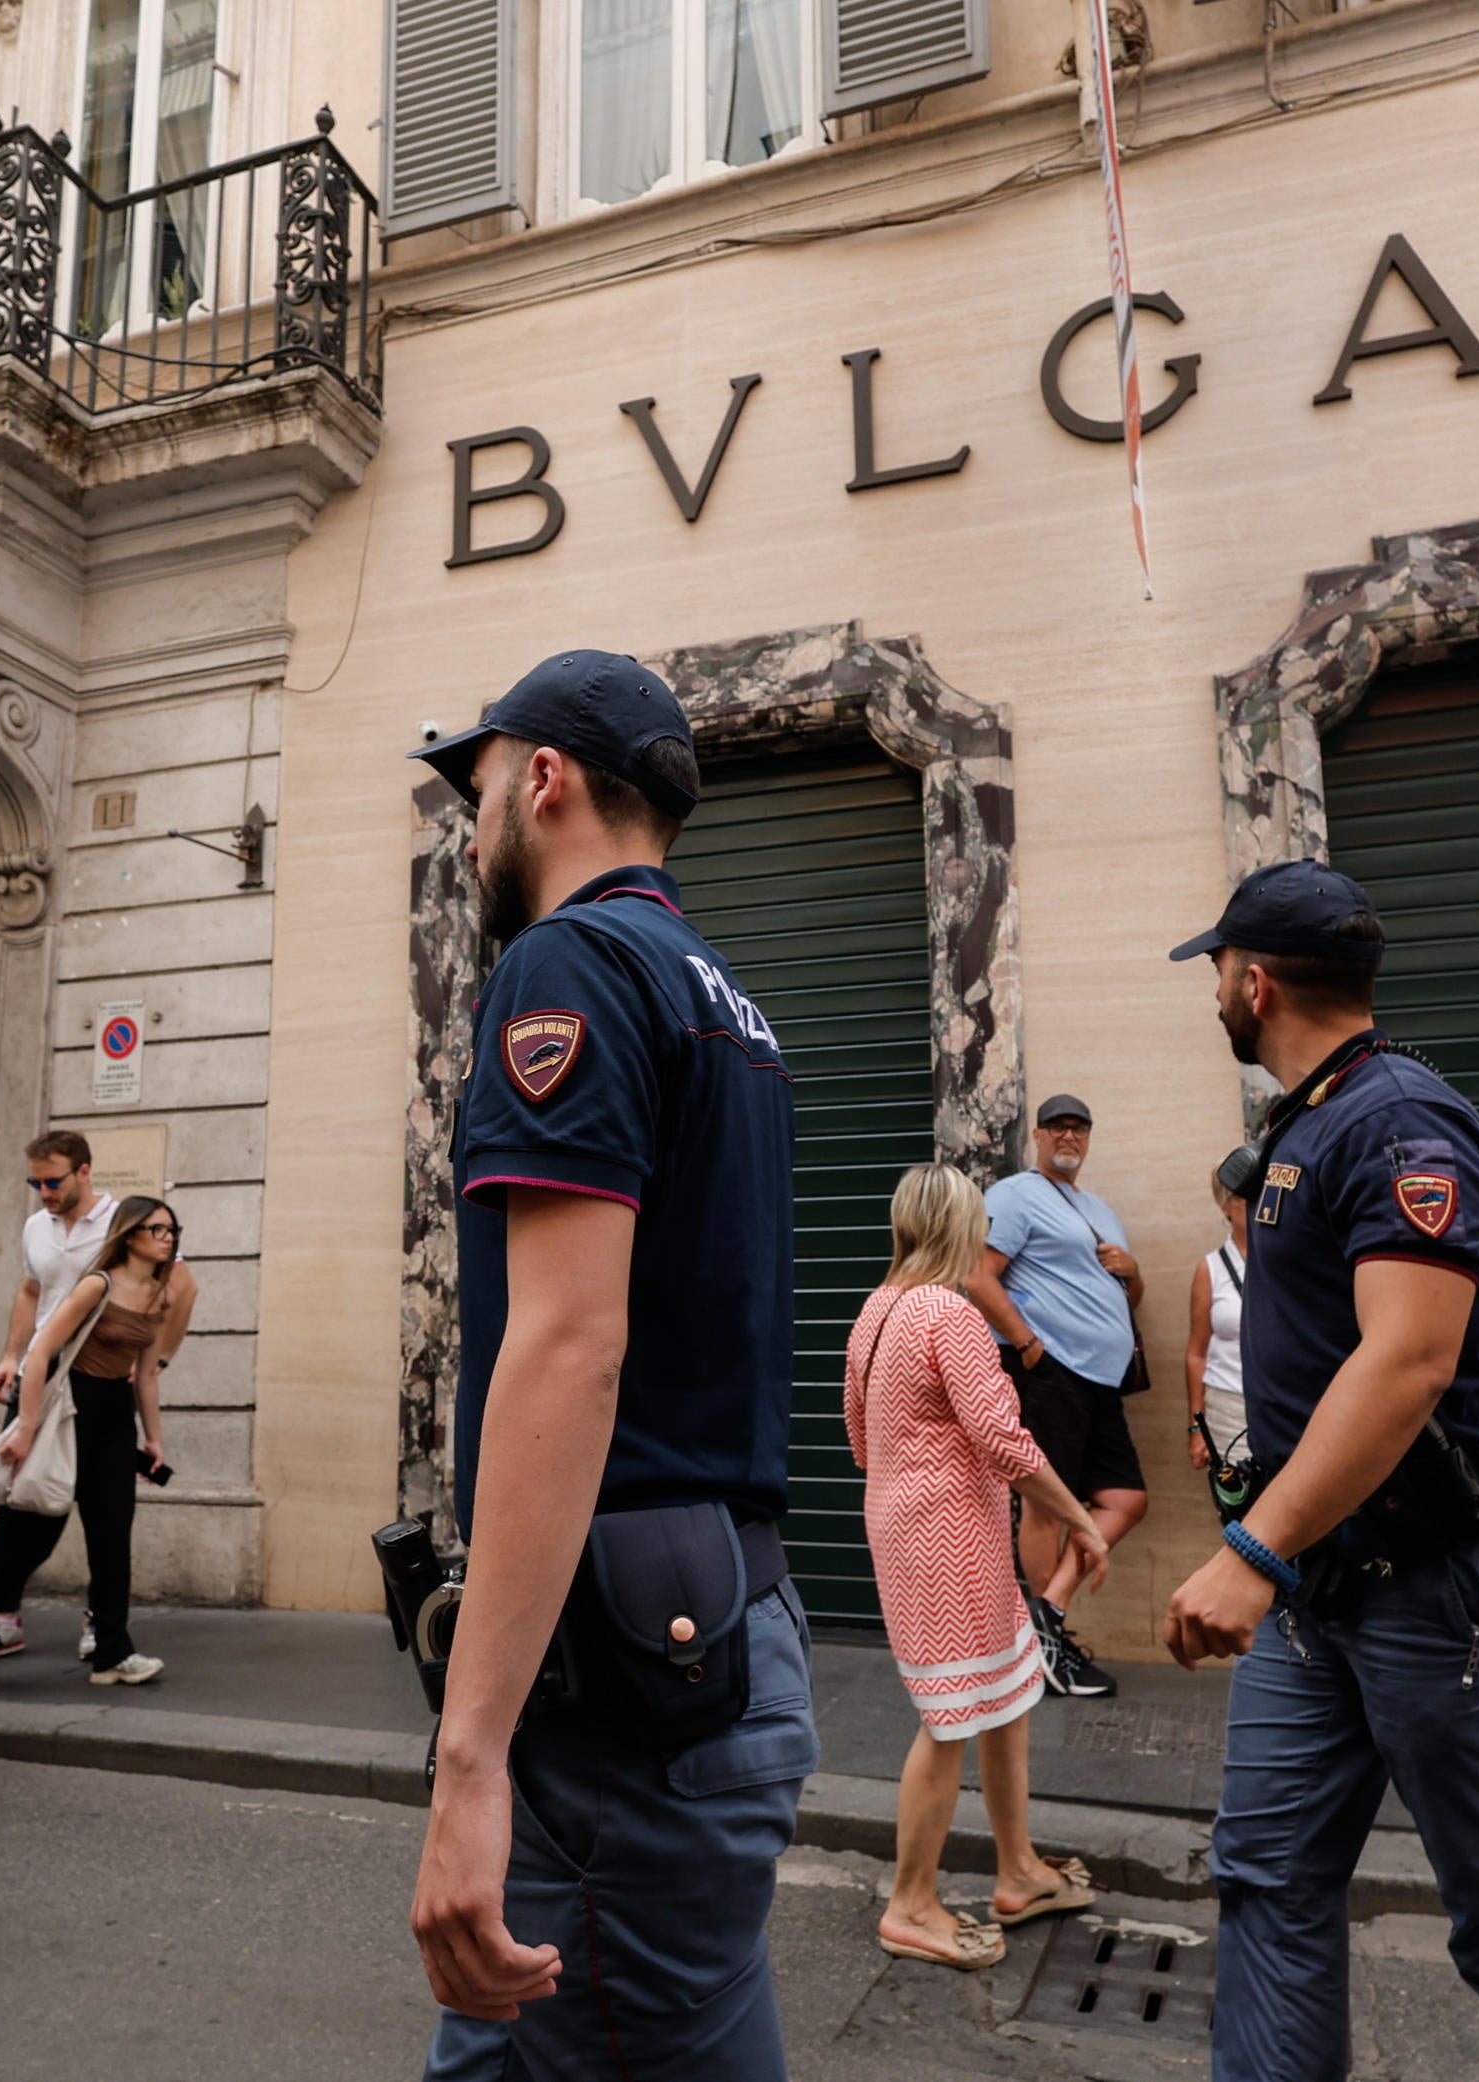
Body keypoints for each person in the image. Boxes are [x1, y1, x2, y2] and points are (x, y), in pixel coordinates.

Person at [1160, 861, 1479, 2082]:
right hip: (1324, 1592)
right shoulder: (1311, 1121)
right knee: (1266, 1874)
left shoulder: (1396, 1124)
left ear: (1255, 982)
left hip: (1435, 1587)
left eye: (1220, 967)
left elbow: (1411, 1361)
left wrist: (1250, 1550)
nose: (1216, 986)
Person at [404, 652, 812, 2079]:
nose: (473, 826)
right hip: (712, 1636)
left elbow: (570, 1347)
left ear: (549, 779)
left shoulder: (569, 961)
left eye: (483, 785)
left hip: (624, 1705)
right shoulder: (729, 999)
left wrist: (468, 1761)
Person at [845, 1164, 1109, 1971]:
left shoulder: (877, 1311)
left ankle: (1019, 1872)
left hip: (913, 1527)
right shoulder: (946, 1314)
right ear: (960, 1227)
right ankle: (911, 1903)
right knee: (953, 1713)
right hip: (949, 1539)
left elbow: (862, 1441)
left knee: (1006, 1694)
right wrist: (1078, 1520)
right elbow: (1002, 1441)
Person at [0, 1195, 193, 1689]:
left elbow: (146, 1376)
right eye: (158, 1229)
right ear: (130, 1234)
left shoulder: (160, 1296)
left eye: (173, 1229)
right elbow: (41, 1350)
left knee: (112, 1539)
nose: (169, 1238)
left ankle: (113, 1652)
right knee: (26, 1542)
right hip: (68, 1412)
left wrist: (153, 1439)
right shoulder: (97, 1284)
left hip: (114, 1417)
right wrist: (24, 1427)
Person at [964, 1093, 1146, 1699]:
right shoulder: (1015, 1195)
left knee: (1125, 1500)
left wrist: (1133, 1273)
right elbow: (976, 1275)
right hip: (1053, 1376)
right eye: (1058, 1127)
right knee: (1046, 1505)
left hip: (1100, 1382)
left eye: (1080, 1128)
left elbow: (1125, 1298)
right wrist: (1028, 1345)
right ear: (1037, 1137)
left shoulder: (1097, 1209)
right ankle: (1042, 1651)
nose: (1069, 1136)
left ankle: (1048, 1612)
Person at [0, 1129, 119, 1667]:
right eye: (37, 1182)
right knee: (17, 1503)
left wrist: (154, 1361)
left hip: (96, 1380)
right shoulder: (36, 1225)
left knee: (103, 1512)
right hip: (38, 1378)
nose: (45, 1193)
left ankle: (103, 1621)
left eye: (53, 1181)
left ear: (84, 1171)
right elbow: (31, 1292)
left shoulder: (124, 1222)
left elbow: (175, 1290)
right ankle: (3, 1622)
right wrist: (11, 1355)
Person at [1185, 1144, 1263, 1521]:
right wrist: (1195, 1427)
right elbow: (1196, 1352)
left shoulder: (1285, 1259)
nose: (1252, 1202)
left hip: (1284, 1401)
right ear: (1225, 1206)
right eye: (1242, 1196)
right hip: (1228, 1408)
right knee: (1241, 1512)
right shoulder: (1211, 1269)